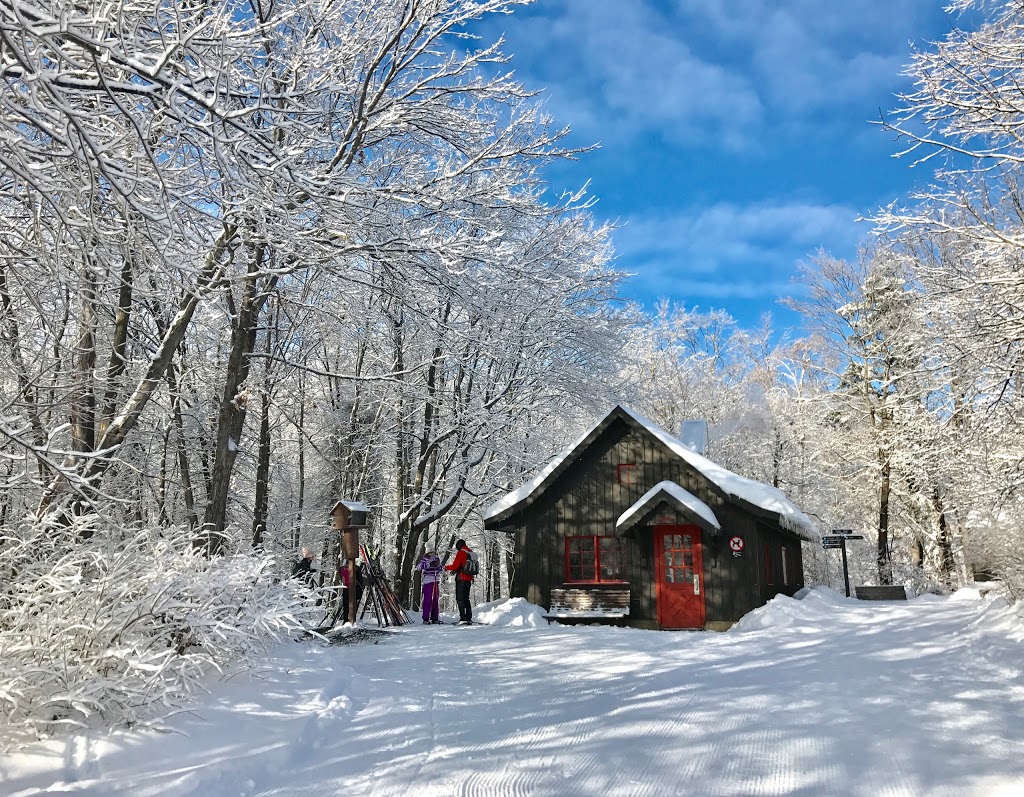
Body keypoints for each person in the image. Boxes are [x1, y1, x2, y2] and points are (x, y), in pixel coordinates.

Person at [444, 539, 475, 625]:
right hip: (469, 578)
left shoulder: (461, 552)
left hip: (462, 578)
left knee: (460, 598)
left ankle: (463, 618)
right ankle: (468, 617)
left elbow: (455, 565)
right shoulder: (470, 551)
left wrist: (446, 568)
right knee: (466, 598)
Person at [417, 550, 443, 624]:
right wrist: (428, 563)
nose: (432, 554)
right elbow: (419, 567)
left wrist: (438, 566)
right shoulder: (425, 559)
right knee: (427, 600)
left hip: (435, 580)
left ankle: (435, 618)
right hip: (428, 581)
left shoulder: (437, 558)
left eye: (432, 552)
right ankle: (425, 618)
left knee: (435, 599)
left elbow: (441, 568)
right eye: (430, 552)